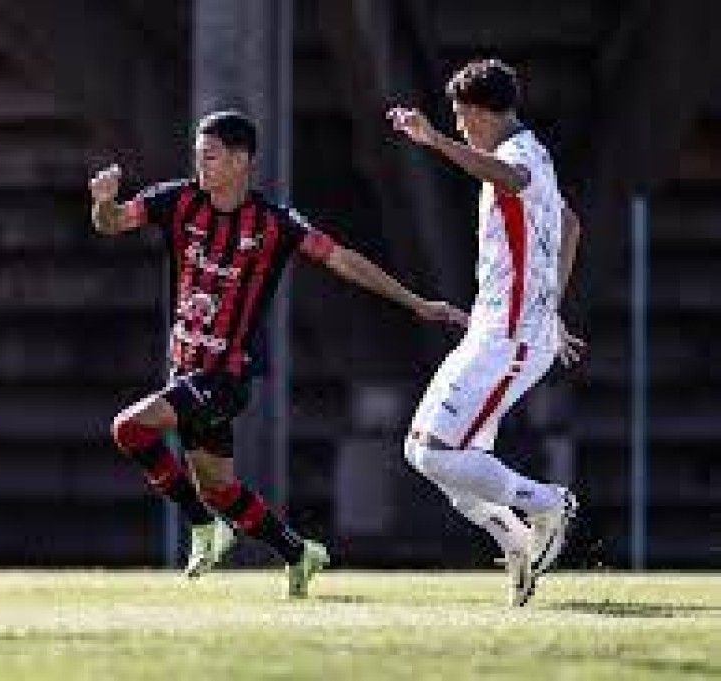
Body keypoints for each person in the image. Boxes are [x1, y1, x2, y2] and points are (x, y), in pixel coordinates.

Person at [89, 110, 467, 598]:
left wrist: (417, 303)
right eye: (198, 155)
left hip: (227, 375)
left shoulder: (274, 223)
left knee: (130, 428)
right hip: (185, 370)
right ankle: (298, 552)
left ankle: (204, 528)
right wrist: (102, 204)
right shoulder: (176, 201)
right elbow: (115, 222)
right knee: (220, 489)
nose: (200, 163)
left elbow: (343, 260)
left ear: (241, 160)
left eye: (211, 155)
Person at [388, 58, 585, 606]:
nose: (457, 127)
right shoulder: (536, 150)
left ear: (477, 112)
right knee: (419, 450)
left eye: (458, 117)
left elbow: (509, 179)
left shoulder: (517, 157)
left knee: (438, 453)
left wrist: (432, 142)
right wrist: (554, 308)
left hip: (510, 338)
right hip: (498, 330)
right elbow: (570, 226)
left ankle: (547, 503)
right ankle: (517, 538)